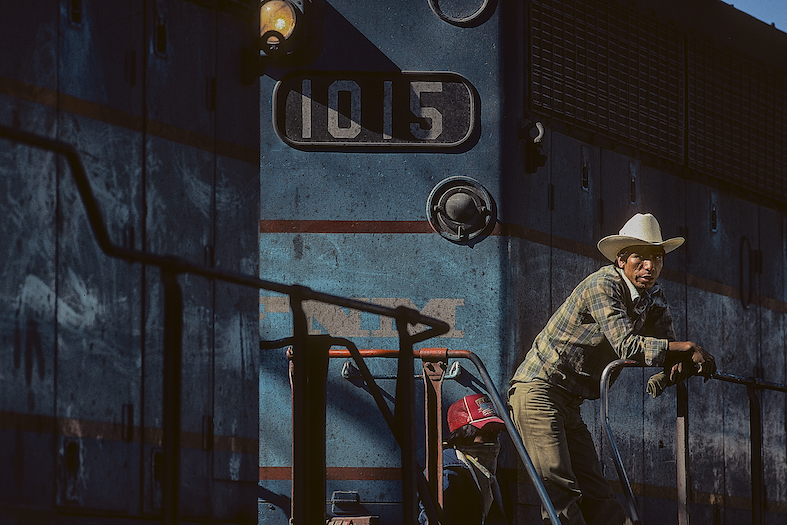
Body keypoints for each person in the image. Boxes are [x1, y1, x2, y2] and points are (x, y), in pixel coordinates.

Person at [508, 213, 716, 525]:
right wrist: (687, 348)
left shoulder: (652, 294)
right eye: (640, 258)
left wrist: (674, 368)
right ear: (621, 260)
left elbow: (666, 346)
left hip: (570, 400)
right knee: (559, 487)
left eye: (656, 258)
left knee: (596, 491)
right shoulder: (602, 285)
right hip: (539, 390)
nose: (649, 267)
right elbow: (629, 346)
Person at [419, 393, 508, 525]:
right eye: (485, 435)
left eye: (495, 434)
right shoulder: (448, 473)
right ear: (464, 437)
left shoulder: (487, 472)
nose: (492, 442)